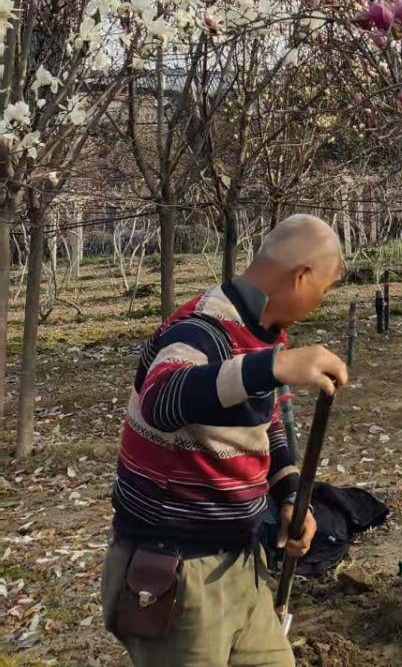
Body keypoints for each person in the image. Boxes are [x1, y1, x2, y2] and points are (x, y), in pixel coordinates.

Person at [101, 214, 348, 666]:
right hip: (178, 573)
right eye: (325, 288)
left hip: (240, 562)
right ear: (301, 277)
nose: (321, 301)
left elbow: (267, 426)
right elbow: (162, 396)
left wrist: (290, 494)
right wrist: (271, 368)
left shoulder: (264, 336)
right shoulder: (201, 328)